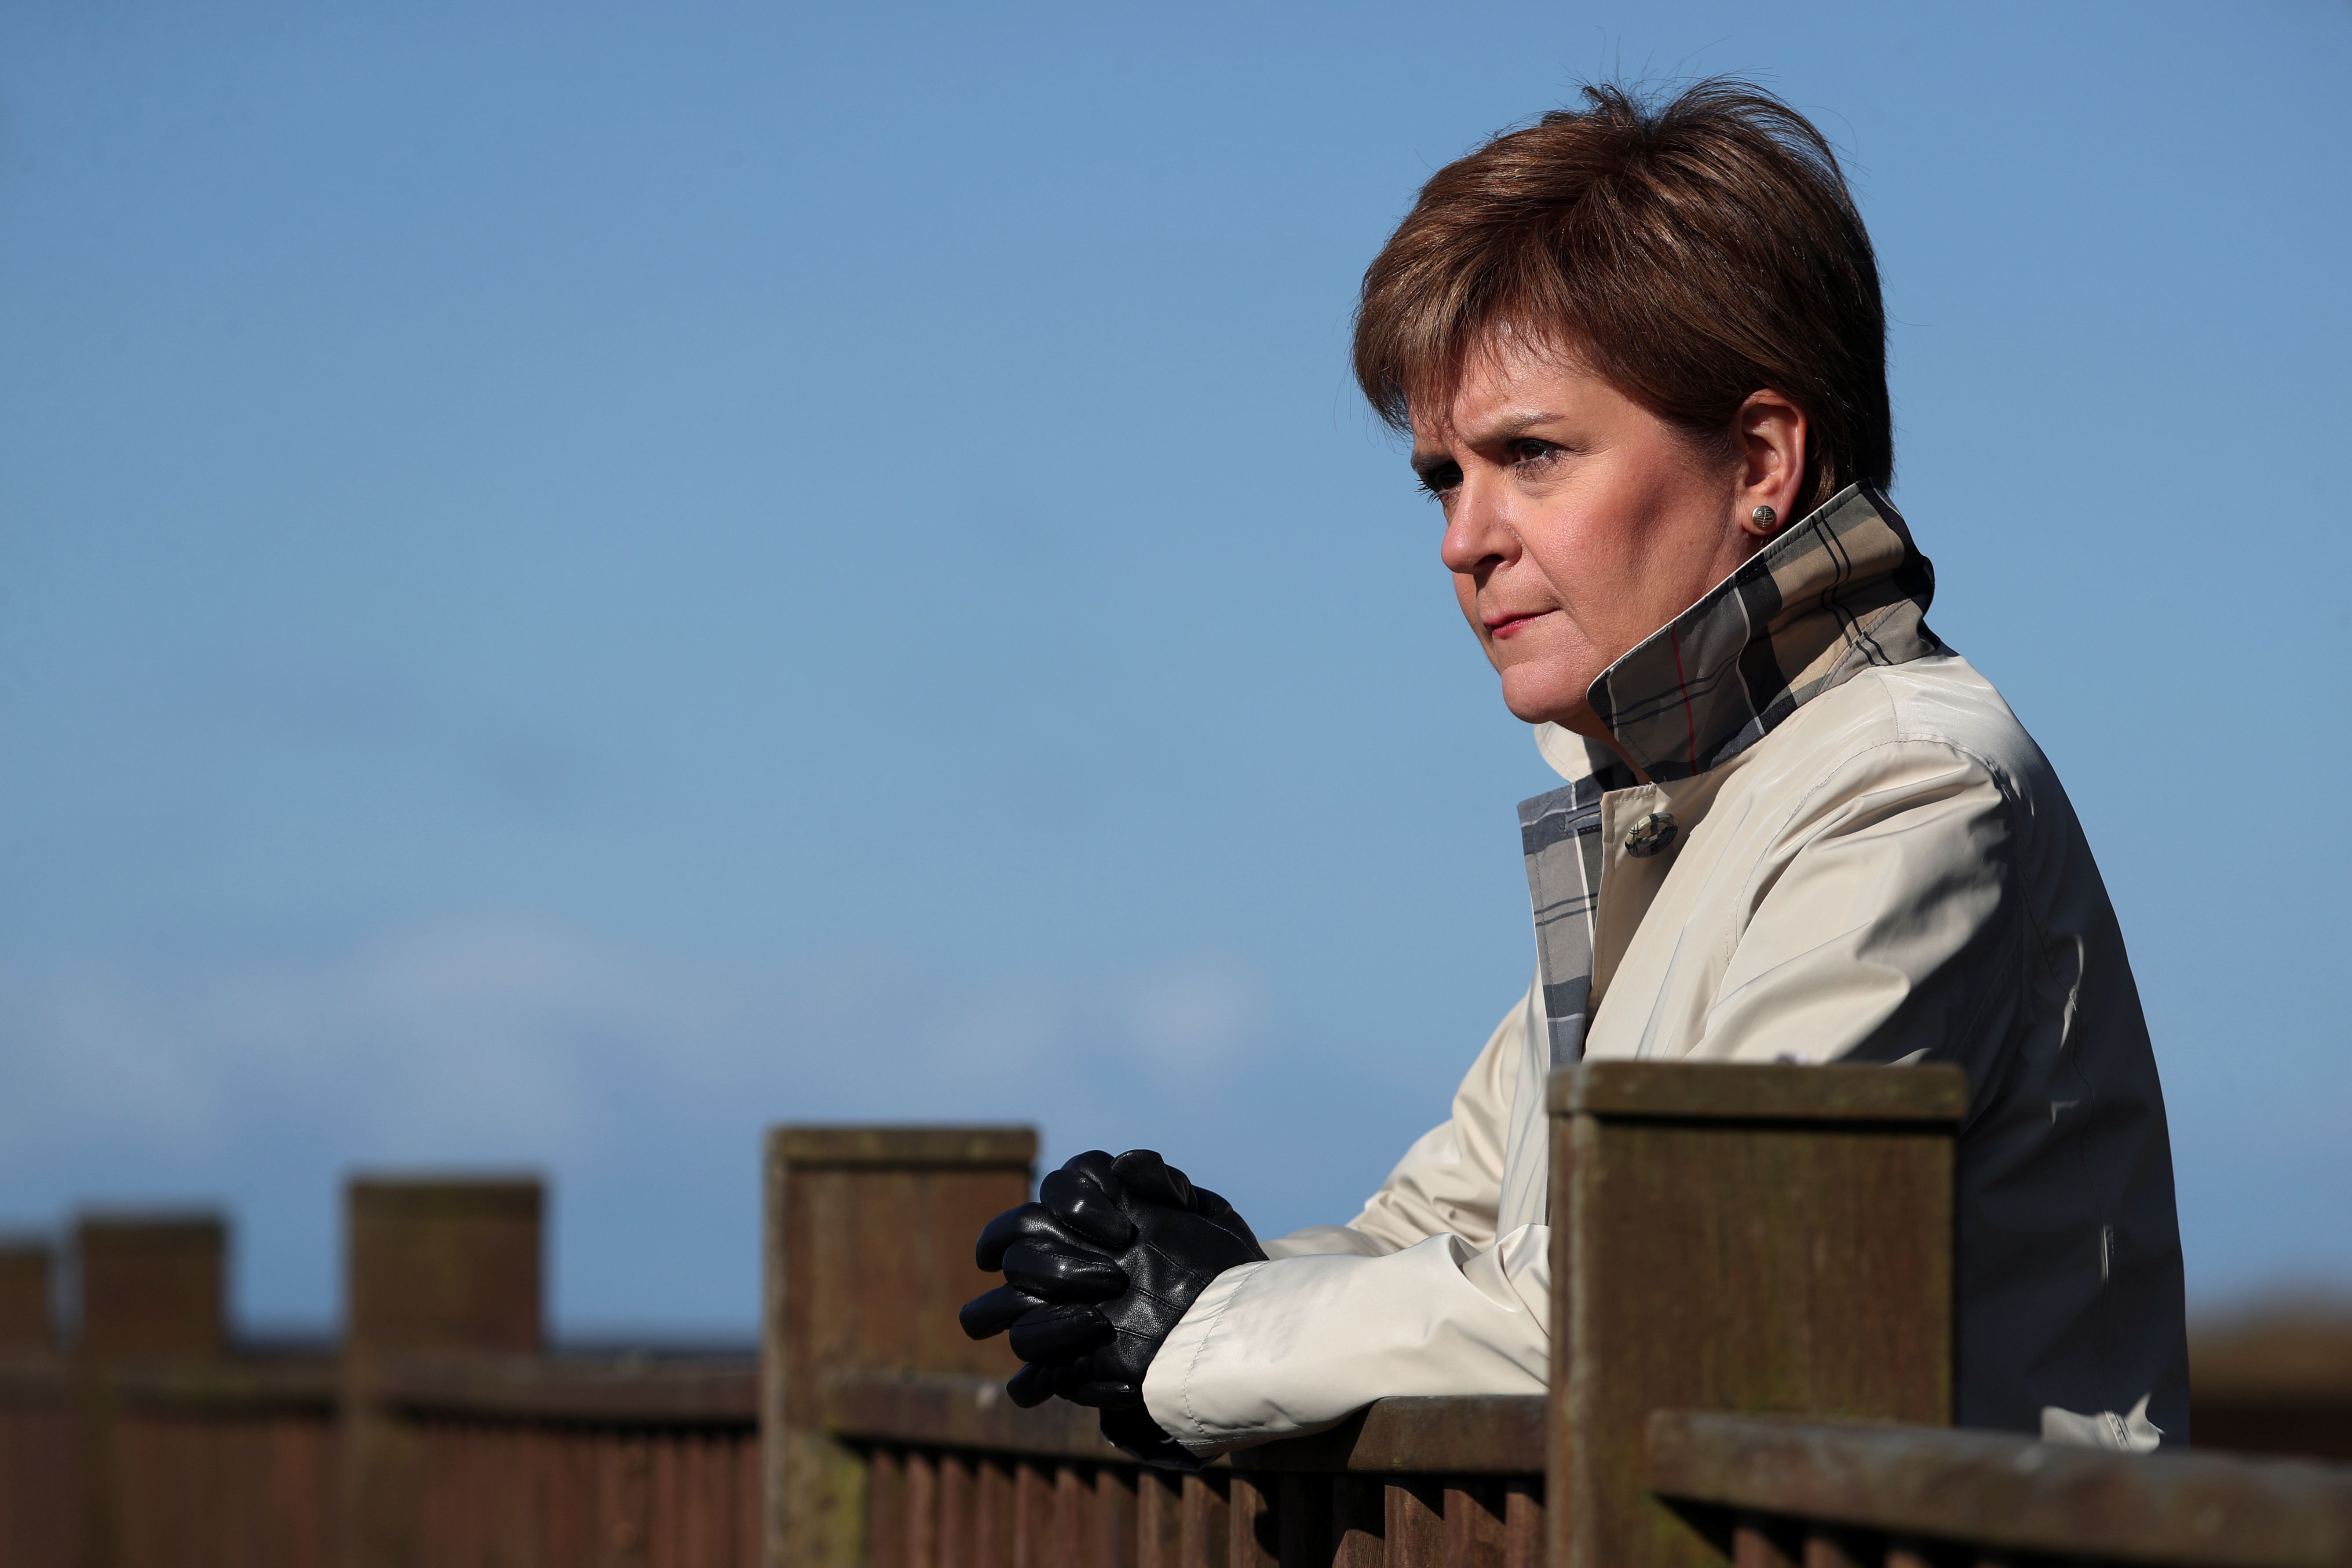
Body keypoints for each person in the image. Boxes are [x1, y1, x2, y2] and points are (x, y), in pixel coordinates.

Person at [960, 78, 2188, 1466]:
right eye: (1442, 476)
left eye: (1531, 456)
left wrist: (1202, 1332)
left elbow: (1674, 1297)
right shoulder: (1678, 805)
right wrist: (1158, 1285)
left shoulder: (1903, 795)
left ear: (1761, 460)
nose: (1462, 540)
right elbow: (1457, 1228)